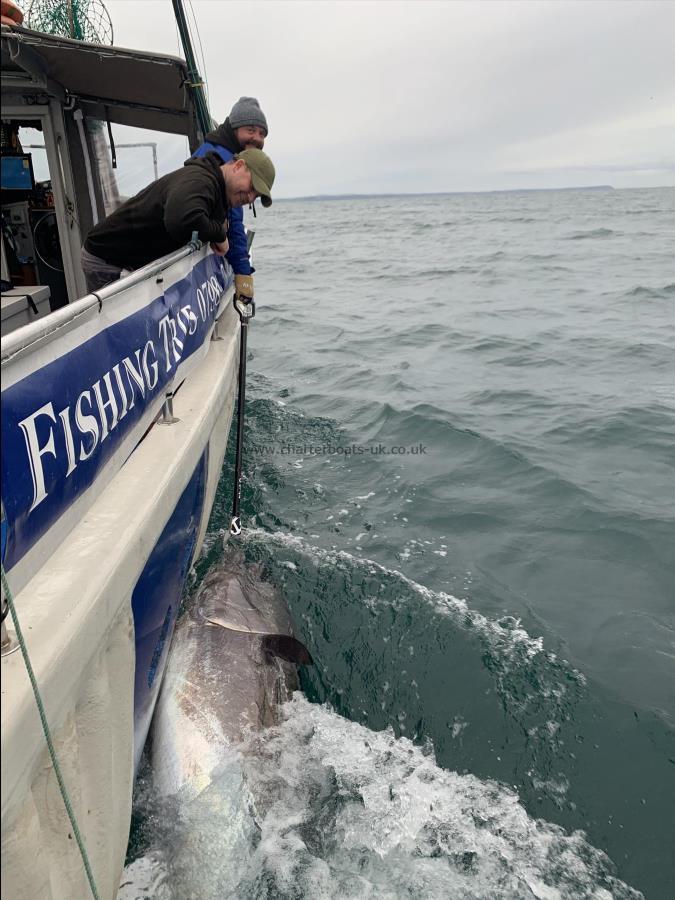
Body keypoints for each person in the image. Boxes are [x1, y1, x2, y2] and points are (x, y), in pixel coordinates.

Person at [81, 147, 274, 294]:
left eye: (255, 196)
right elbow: (181, 220)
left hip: (130, 261)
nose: (249, 198)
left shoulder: (218, 191)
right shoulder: (201, 180)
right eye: (251, 187)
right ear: (238, 166)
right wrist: (219, 233)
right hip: (107, 259)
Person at [192, 97, 268, 303]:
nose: (257, 138)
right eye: (250, 130)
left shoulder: (216, 149)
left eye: (262, 133)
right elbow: (232, 222)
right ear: (234, 128)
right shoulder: (224, 160)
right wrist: (243, 271)